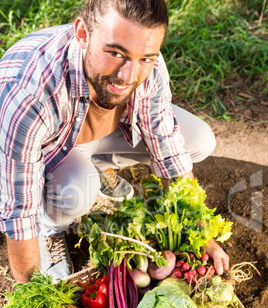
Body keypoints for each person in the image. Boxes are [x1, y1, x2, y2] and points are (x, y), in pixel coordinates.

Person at [0, 0, 229, 284]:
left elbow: (169, 152)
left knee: (198, 139)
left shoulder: (147, 67)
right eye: (116, 53)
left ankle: (98, 165)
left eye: (145, 58)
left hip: (93, 130)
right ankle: (51, 228)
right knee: (75, 190)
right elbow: (19, 213)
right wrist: (33, 295)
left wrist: (198, 236)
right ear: (83, 34)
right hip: (48, 143)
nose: (128, 76)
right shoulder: (30, 97)